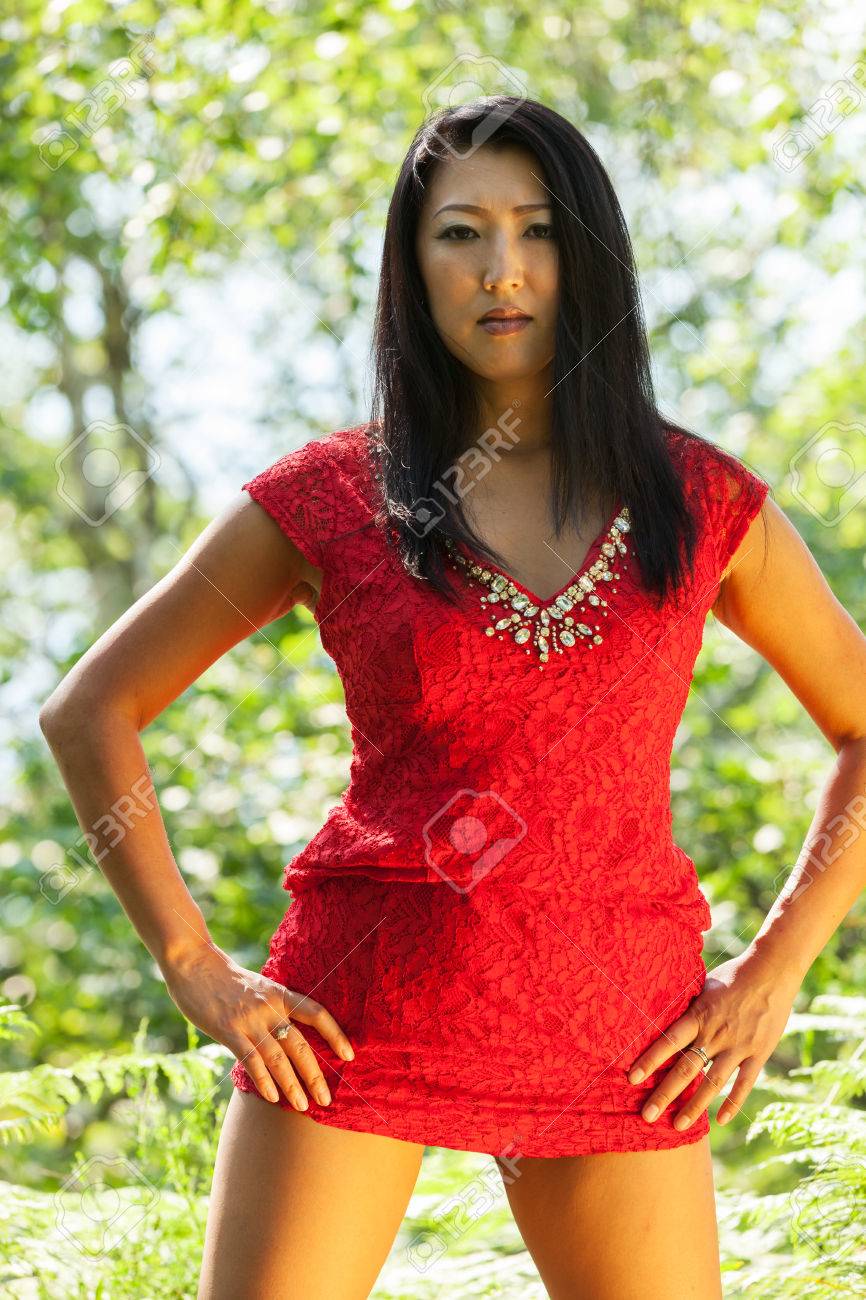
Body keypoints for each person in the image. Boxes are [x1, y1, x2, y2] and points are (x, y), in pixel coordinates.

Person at [39, 96, 866, 1300]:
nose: (501, 270)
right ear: (410, 266)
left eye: (534, 230)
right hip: (355, 1019)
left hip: (620, 1035)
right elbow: (90, 708)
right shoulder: (327, 497)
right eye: (458, 234)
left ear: (585, 256)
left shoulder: (700, 501)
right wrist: (194, 966)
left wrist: (773, 971)